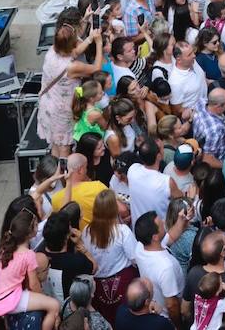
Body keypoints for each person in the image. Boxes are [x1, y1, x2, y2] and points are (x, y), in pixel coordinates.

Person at [38, 18, 105, 157]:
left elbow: (71, 53)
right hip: (62, 111)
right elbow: (97, 68)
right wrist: (98, 43)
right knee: (64, 148)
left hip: (48, 105)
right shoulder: (72, 67)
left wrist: (90, 38)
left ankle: (54, 173)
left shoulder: (52, 52)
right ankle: (64, 176)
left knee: (55, 145)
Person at [0, 208, 61, 330]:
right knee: (54, 305)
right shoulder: (28, 255)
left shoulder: (4, 248)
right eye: (36, 225)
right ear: (29, 233)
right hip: (12, 298)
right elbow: (34, 284)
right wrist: (43, 297)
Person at [81, 189, 140, 326]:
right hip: (123, 283)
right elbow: (135, 258)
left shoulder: (86, 231)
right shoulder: (122, 231)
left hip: (98, 288)